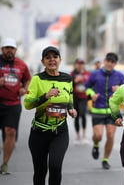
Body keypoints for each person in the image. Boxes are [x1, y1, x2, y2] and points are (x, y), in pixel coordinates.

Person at [24, 46, 77, 185]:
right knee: (40, 171)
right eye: (48, 57)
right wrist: (45, 96)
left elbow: (69, 98)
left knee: (55, 166)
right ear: (43, 61)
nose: (52, 60)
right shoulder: (37, 79)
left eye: (55, 57)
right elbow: (27, 104)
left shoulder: (67, 78)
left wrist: (71, 109)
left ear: (60, 59)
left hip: (60, 132)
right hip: (39, 133)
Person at [85, 52, 124, 169]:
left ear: (115, 64)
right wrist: (92, 94)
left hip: (112, 111)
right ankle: (96, 144)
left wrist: (119, 89)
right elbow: (86, 87)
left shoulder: (119, 75)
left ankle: (105, 159)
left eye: (112, 62)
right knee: (98, 135)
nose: (110, 63)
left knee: (110, 135)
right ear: (104, 61)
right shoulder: (95, 74)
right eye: (108, 61)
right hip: (98, 109)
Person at [0, 38, 31, 174]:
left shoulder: (21, 64)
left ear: (15, 50)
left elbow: (28, 79)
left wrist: (24, 88)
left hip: (13, 103)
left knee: (10, 132)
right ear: (2, 49)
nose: (9, 50)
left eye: (12, 48)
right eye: (7, 48)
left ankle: (5, 164)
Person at [70, 58, 91, 144]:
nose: (80, 65)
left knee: (83, 115)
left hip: (84, 97)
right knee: (76, 116)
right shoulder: (72, 74)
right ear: (75, 65)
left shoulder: (87, 73)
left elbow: (91, 84)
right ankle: (78, 136)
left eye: (82, 64)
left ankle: (84, 136)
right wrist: (75, 81)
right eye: (79, 64)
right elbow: (68, 86)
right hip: (75, 97)